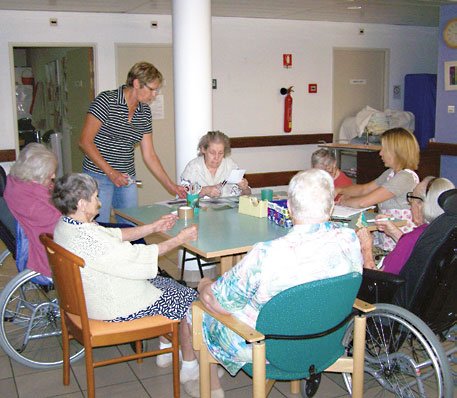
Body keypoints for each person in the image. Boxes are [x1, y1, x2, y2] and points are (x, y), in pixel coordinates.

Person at [179, 169, 363, 398]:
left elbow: (218, 304)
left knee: (197, 309)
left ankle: (212, 387)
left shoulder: (267, 254)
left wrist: (205, 284)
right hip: (327, 338)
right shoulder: (350, 240)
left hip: (270, 348)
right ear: (332, 208)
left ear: (289, 209)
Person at [51, 173, 198, 368]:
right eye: (95, 197)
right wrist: (179, 239)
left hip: (88, 298)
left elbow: (114, 235)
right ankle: (190, 366)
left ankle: (166, 351)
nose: (100, 203)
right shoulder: (91, 241)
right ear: (82, 204)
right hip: (113, 306)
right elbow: (139, 257)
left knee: (167, 283)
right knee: (189, 297)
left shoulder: (67, 226)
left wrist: (153, 228)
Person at [79, 61, 186, 223]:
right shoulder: (106, 101)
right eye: (152, 89)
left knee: (130, 224)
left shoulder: (144, 112)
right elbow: (85, 142)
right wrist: (111, 173)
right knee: (98, 226)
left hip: (126, 177)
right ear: (136, 83)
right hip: (98, 175)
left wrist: (170, 185)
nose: (155, 95)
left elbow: (149, 154)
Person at [336, 127, 420, 251]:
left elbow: (363, 202)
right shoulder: (390, 173)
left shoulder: (405, 178)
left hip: (399, 240)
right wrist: (340, 190)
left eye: (384, 149)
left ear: (396, 151)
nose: (380, 153)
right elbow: (363, 189)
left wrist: (343, 202)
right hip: (386, 236)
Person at [357, 176, 455, 274]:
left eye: (412, 197)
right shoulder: (445, 230)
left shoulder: (411, 239)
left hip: (390, 286)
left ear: (422, 205)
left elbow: (379, 281)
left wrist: (366, 247)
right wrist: (395, 233)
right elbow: (418, 249)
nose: (410, 205)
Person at [4, 143, 60, 278]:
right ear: (36, 176)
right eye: (48, 175)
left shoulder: (15, 183)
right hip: (50, 261)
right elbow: (63, 225)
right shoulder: (35, 206)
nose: (53, 176)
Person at [181, 131, 251, 198]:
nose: (216, 157)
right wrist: (203, 191)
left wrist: (244, 187)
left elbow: (247, 194)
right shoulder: (193, 167)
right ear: (203, 149)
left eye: (220, 153)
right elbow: (182, 196)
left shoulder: (230, 165)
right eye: (212, 153)